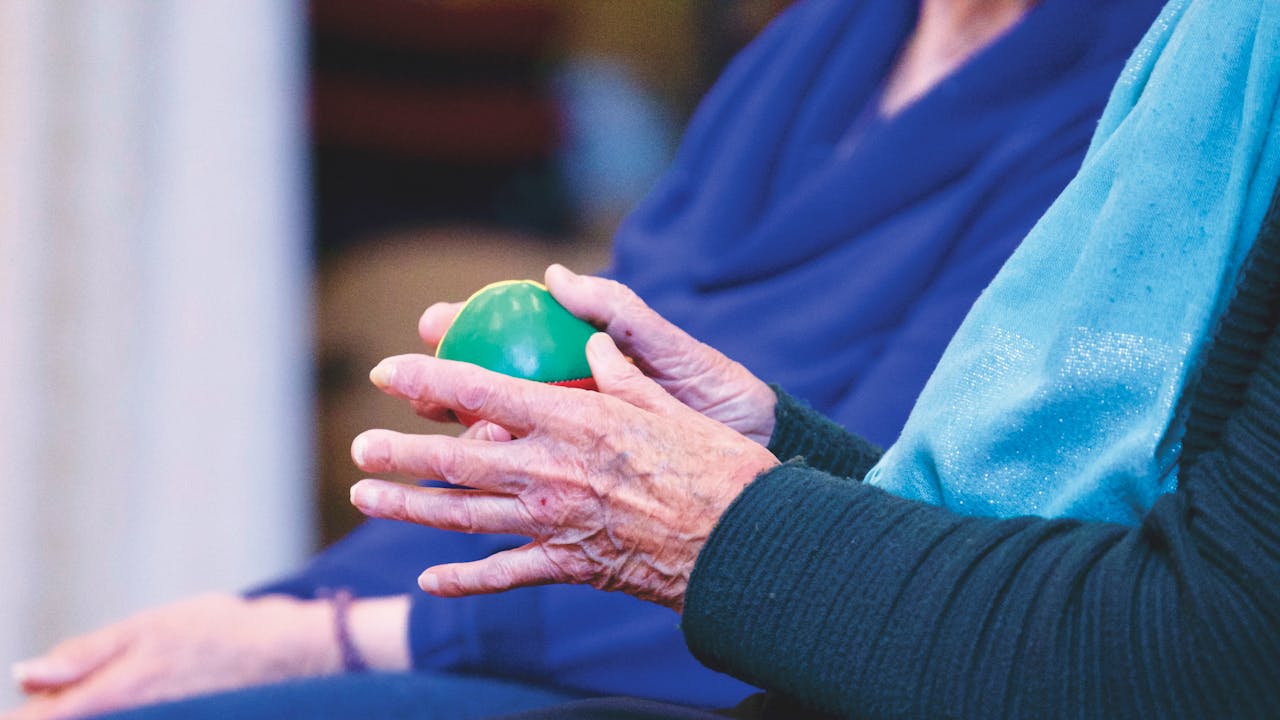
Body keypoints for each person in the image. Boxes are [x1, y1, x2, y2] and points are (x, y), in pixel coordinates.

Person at [6, 0, 1166, 718]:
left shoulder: (1138, 85)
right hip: (550, 602)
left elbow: (879, 533)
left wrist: (321, 638)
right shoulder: (829, 34)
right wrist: (268, 613)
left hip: (724, 653)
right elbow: (574, 424)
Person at [339, 0, 1280, 716]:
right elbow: (973, 516)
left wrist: (711, 521)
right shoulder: (826, 37)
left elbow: (1218, 653)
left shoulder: (1116, 61)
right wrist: (774, 441)